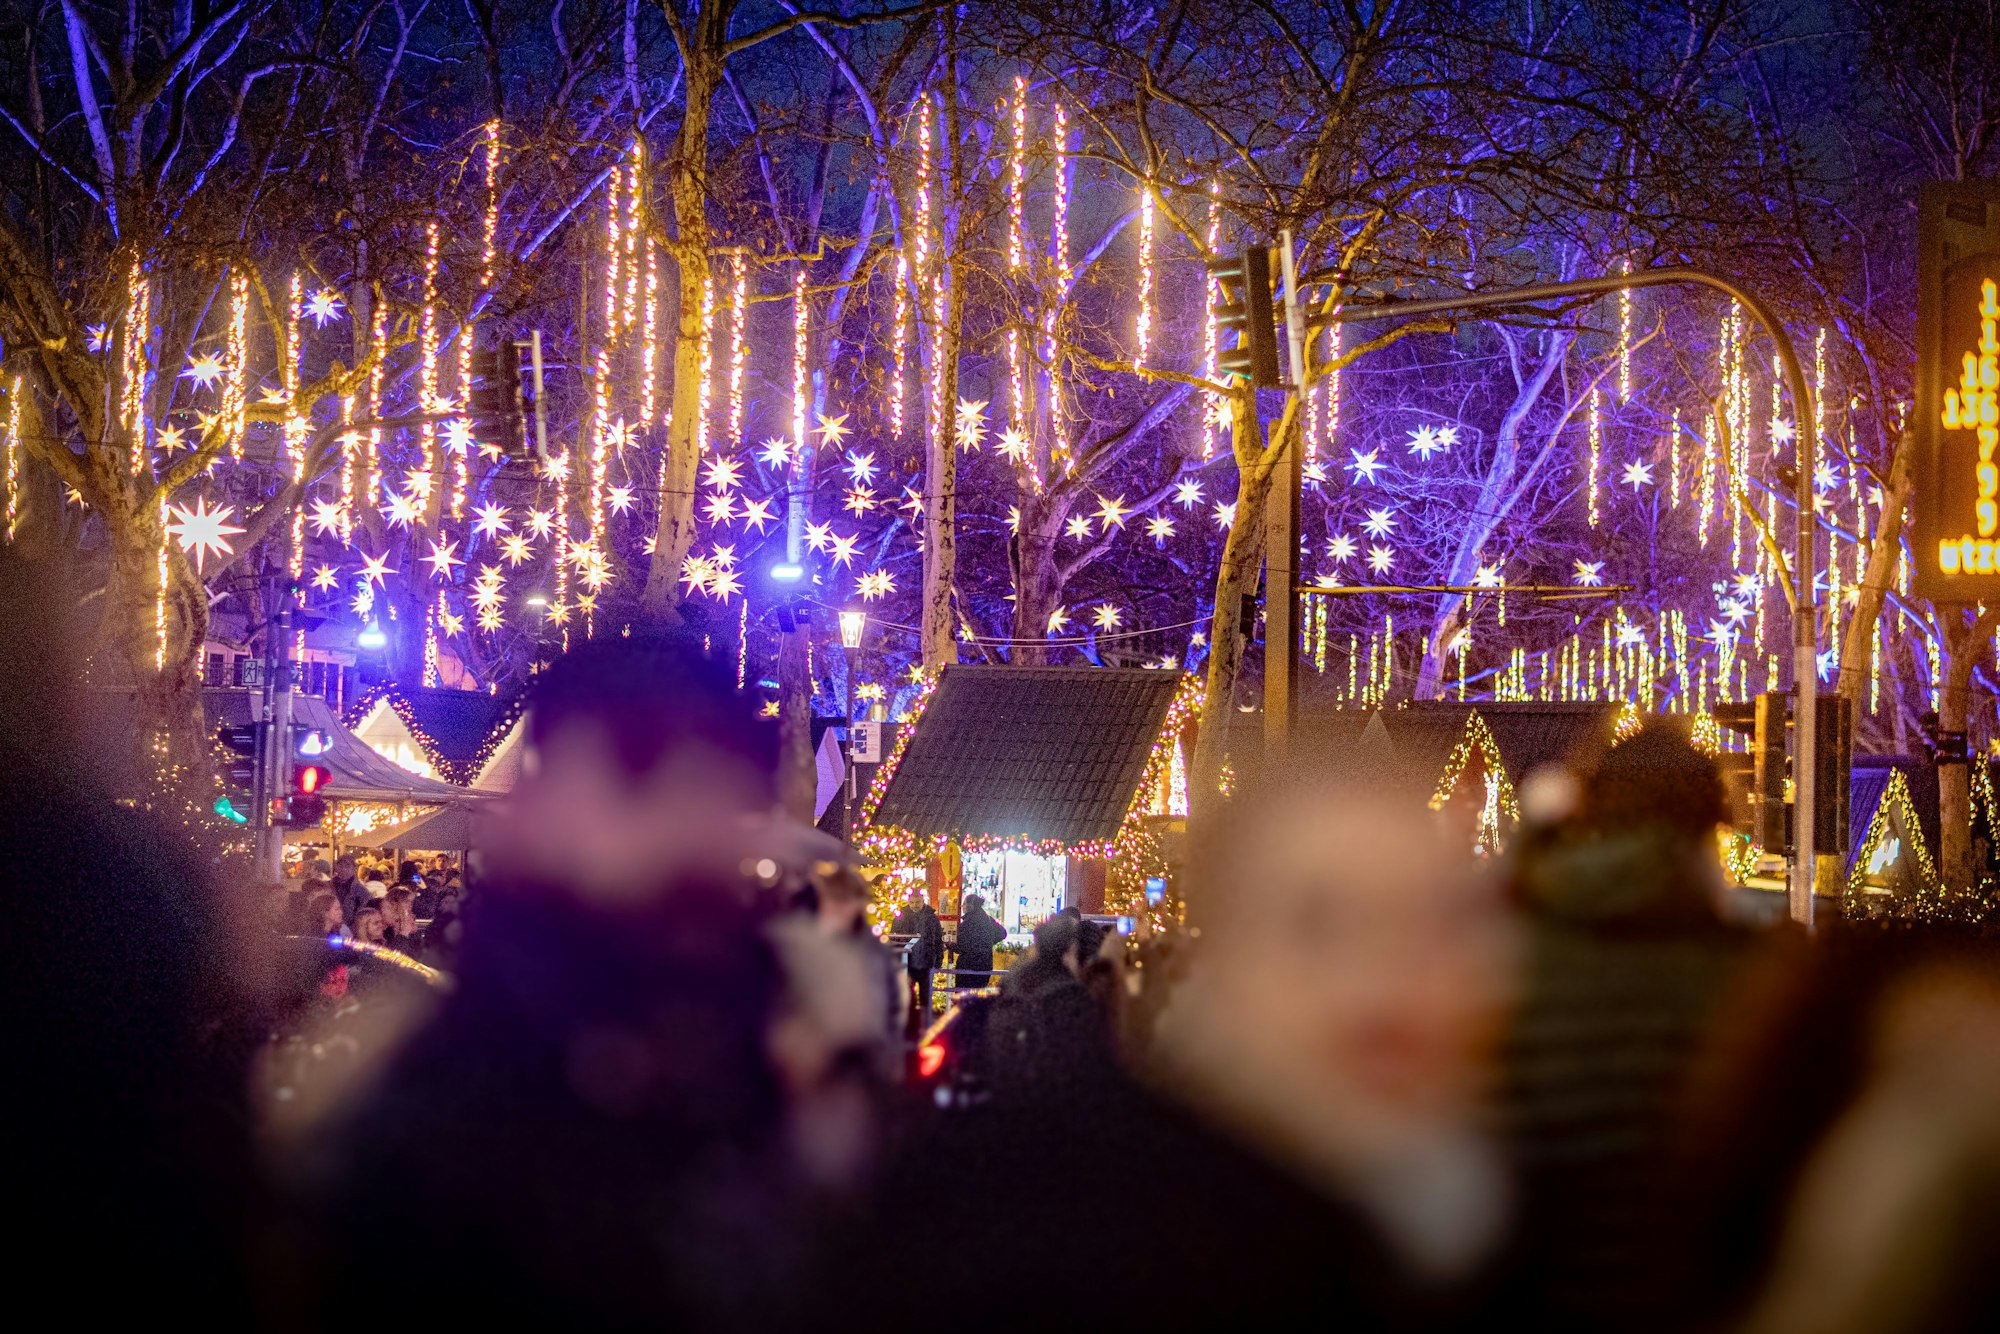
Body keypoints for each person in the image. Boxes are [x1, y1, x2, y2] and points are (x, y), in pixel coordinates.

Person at [310, 636, 823, 1329]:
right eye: (639, 773)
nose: (683, 820)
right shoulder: (430, 1120)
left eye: (713, 776)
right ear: (538, 805)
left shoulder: (776, 1066)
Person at [1495, 720, 1756, 1333]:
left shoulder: (1512, 954)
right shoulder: (1749, 978)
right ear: (1705, 830)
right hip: (1692, 1301)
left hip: (1536, 1295)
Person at [903, 897, 944, 1033]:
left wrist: (938, 961)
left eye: (917, 902)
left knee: (925, 997)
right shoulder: (902, 917)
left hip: (926, 964)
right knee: (908, 997)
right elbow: (895, 939)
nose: (914, 905)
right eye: (912, 902)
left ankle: (925, 1027)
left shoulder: (932, 919)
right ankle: (910, 1027)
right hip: (908, 964)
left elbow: (938, 940)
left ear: (923, 901)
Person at [953, 894, 1006, 990]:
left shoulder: (967, 924)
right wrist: (988, 942)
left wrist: (950, 945)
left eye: (964, 904)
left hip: (967, 966)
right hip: (985, 966)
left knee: (963, 998)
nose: (962, 907)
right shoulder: (988, 920)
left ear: (970, 906)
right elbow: (1003, 933)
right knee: (978, 996)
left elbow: (960, 947)